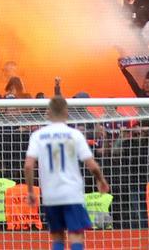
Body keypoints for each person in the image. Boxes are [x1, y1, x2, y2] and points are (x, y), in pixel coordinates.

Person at [22, 95, 110, 250]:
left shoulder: (37, 135)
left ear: (48, 113)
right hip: (72, 193)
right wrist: (101, 180)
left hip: (50, 195)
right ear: (66, 112)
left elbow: (28, 165)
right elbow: (92, 165)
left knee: (57, 235)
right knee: (76, 234)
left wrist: (30, 191)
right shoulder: (74, 134)